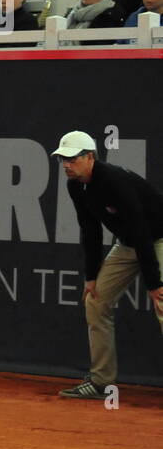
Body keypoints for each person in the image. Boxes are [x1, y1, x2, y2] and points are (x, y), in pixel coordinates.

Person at [51, 130, 163, 398]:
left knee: (162, 302)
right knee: (96, 300)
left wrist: (154, 283)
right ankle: (101, 381)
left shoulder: (114, 180)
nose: (66, 164)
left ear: (89, 157)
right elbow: (90, 230)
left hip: (157, 239)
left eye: (71, 158)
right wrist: (91, 277)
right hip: (127, 243)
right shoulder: (75, 185)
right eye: (62, 159)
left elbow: (140, 228)